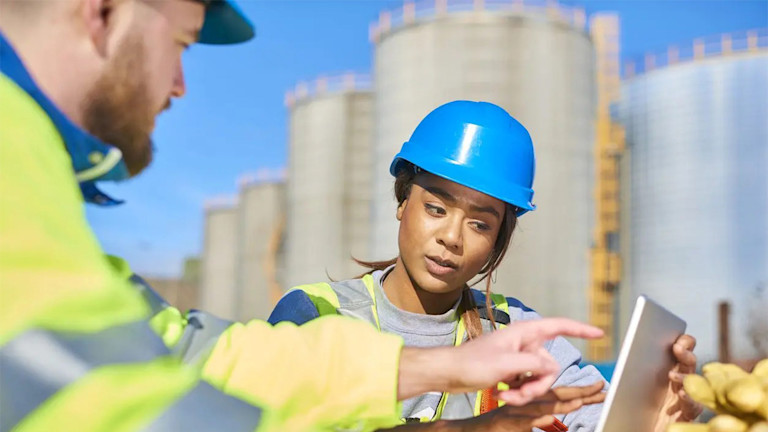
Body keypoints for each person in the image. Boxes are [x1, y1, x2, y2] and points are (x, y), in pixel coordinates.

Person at [0, 1, 608, 431]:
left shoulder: (507, 326)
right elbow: (134, 401)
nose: (181, 83)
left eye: (480, 222)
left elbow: (187, 355)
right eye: (182, 42)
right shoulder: (317, 309)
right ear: (101, 10)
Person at [268, 101, 704, 431]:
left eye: (479, 223)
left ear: (498, 238)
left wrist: (656, 414)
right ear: (402, 202)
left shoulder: (515, 330)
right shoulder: (315, 314)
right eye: (436, 208)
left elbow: (593, 414)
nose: (452, 238)